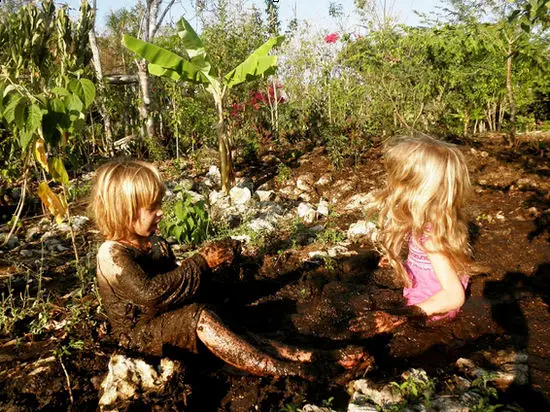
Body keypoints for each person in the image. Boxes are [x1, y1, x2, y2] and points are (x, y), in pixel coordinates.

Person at [90, 160, 365, 379]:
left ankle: (303, 355)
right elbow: (151, 293)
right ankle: (278, 368)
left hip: (167, 321)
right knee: (200, 316)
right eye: (153, 207)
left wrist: (216, 273)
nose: (160, 212)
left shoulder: (156, 243)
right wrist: (200, 264)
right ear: (125, 211)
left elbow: (178, 285)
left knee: (221, 309)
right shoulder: (111, 254)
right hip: (140, 338)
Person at [350, 136, 471, 334]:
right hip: (425, 288)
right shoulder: (430, 218)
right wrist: (403, 261)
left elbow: (453, 296)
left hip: (432, 308)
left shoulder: (432, 238)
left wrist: (403, 314)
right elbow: (426, 259)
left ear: (415, 191)